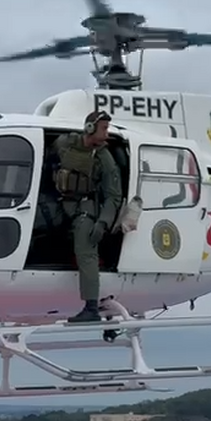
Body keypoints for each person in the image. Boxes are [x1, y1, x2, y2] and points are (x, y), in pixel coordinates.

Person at [53, 110, 123, 323]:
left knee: (86, 251)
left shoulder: (104, 158)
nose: (106, 133)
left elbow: (113, 196)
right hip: (59, 203)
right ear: (90, 128)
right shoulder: (65, 143)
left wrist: (102, 222)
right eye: (104, 128)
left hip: (85, 208)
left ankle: (91, 307)